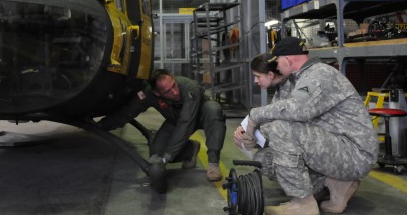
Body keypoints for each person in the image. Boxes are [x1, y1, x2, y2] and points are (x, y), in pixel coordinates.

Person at [240, 37, 378, 215]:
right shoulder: (298, 79)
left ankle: (303, 203)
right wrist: (252, 135)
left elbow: (297, 110)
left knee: (281, 128)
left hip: (355, 153)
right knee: (265, 160)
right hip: (337, 146)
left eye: (278, 62)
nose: (277, 68)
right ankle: (335, 184)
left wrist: (254, 115)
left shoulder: (319, 75)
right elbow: (285, 116)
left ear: (288, 59)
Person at [96, 69, 227, 190]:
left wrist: (168, 156)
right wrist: (102, 125)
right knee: (155, 156)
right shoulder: (148, 94)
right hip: (175, 121)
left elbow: (185, 123)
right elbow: (128, 112)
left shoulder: (189, 87)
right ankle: (191, 149)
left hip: (200, 116)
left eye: (174, 86)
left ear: (174, 79)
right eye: (168, 92)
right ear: (157, 93)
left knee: (213, 109)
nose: (175, 92)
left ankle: (213, 163)